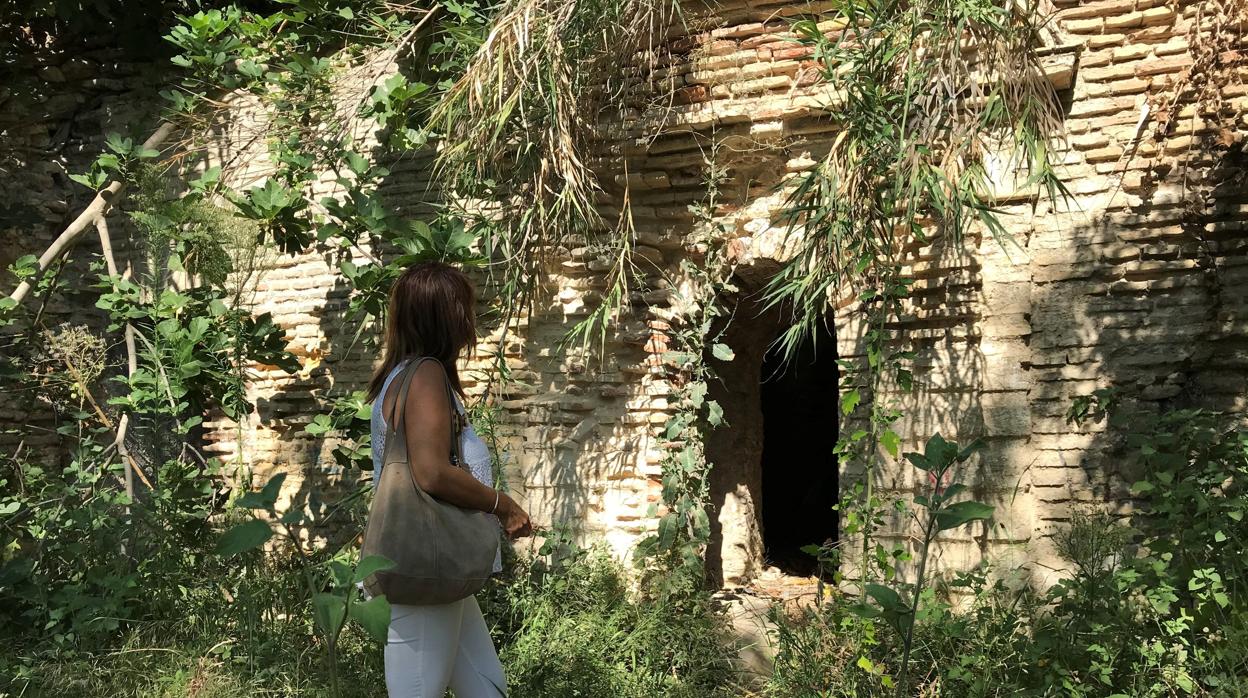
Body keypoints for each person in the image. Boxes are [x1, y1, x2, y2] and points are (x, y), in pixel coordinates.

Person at [366, 261, 532, 697]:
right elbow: (432, 471)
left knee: (486, 688)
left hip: (438, 569)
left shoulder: (403, 375)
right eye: (464, 309)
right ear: (444, 316)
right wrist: (503, 504)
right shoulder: (424, 376)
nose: (470, 320)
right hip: (425, 565)